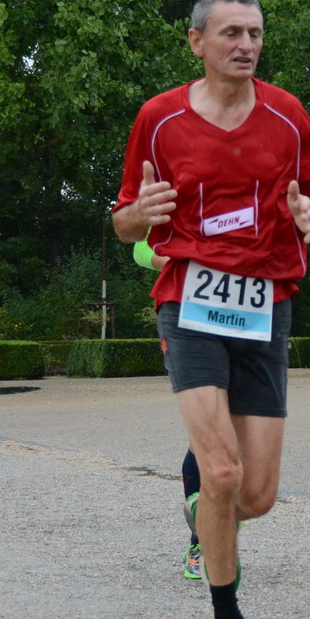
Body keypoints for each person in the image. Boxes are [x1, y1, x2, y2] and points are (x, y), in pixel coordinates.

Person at [113, 0, 310, 619]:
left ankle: (203, 510)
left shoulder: (287, 115)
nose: (245, 44)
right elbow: (125, 218)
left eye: (255, 33)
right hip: (190, 298)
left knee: (257, 494)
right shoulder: (158, 119)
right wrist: (137, 214)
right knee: (221, 470)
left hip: (265, 302)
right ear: (197, 42)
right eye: (231, 32)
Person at [134, 237, 206, 581]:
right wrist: (181, 264)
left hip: (244, 316)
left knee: (241, 437)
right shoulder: (172, 186)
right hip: (187, 313)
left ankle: (219, 525)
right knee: (204, 435)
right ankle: (200, 541)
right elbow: (141, 248)